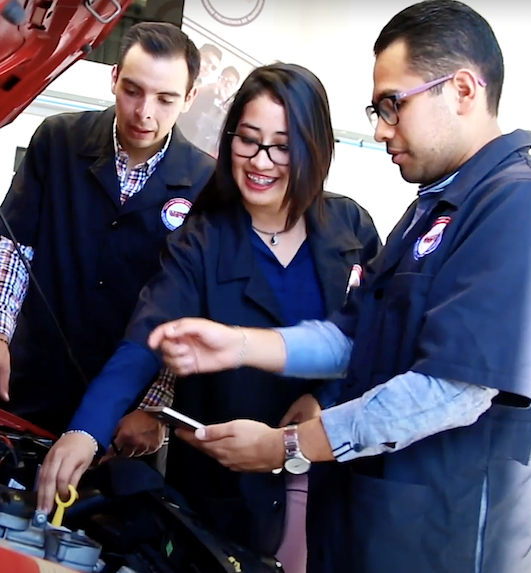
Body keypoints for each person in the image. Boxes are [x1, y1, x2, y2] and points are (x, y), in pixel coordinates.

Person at [148, 2, 531, 572]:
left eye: (392, 105)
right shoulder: (428, 213)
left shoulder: (512, 205)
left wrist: (287, 447)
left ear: (461, 90)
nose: (380, 129)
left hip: (438, 541)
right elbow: (352, 336)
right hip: (366, 527)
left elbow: (452, 389)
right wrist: (240, 344)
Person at [36, 63, 382, 573]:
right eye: (248, 140)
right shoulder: (202, 237)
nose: (261, 162)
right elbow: (145, 339)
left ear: (316, 148)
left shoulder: (350, 226)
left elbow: (374, 337)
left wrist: (324, 399)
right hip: (219, 494)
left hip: (329, 480)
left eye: (283, 146)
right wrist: (87, 430)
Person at [0, 22, 216, 435]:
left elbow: (192, 307)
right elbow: (11, 246)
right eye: (133, 90)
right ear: (113, 78)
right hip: (26, 387)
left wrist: (154, 406)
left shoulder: (206, 182)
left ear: (189, 98)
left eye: (165, 99)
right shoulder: (58, 141)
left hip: (125, 418)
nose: (145, 113)